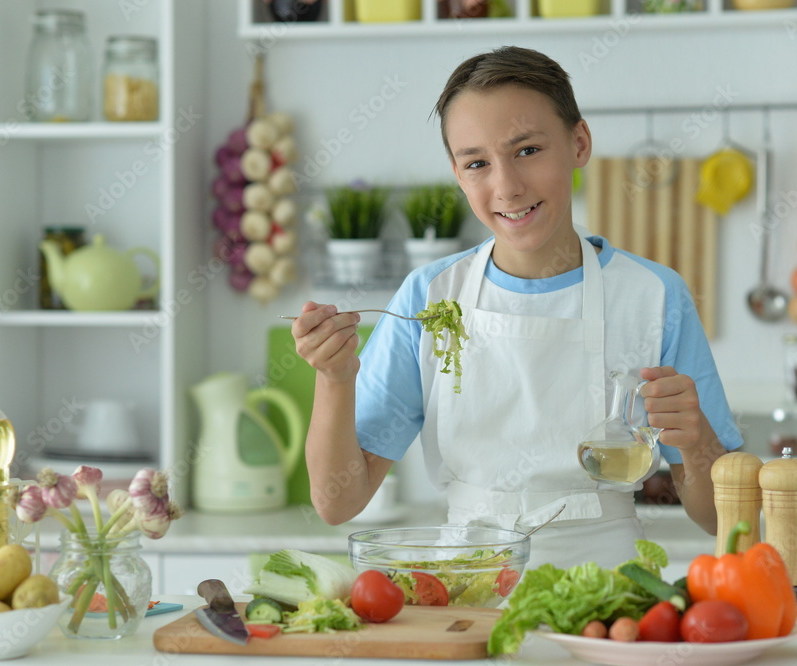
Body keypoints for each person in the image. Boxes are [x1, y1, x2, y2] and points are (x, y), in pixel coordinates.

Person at [291, 46, 743, 569]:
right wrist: (335, 378)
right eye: (477, 163)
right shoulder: (429, 297)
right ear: (458, 175)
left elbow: (720, 520)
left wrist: (698, 442)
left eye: (527, 150)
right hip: (471, 584)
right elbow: (336, 503)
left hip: (609, 594)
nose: (506, 186)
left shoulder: (654, 296)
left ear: (579, 143)